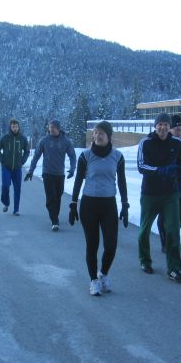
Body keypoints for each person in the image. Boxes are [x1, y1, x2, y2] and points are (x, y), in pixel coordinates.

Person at [69, 121, 129, 296]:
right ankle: (93, 281)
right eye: (95, 132)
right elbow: (78, 180)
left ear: (108, 136)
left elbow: (122, 182)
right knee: (92, 244)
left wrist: (125, 205)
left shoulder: (117, 156)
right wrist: (73, 203)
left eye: (101, 133)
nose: (97, 135)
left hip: (109, 204)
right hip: (89, 205)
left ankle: (103, 273)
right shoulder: (85, 156)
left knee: (111, 245)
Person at [137, 112, 181, 282]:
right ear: (155, 126)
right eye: (160, 124)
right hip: (150, 193)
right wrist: (159, 171)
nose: (163, 127)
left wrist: (180, 183)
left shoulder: (177, 143)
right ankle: (145, 260)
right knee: (144, 230)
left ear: (170, 127)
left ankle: (174, 268)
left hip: (170, 194)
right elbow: (141, 166)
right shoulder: (146, 142)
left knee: (173, 229)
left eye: (166, 124)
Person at [25, 120, 76, 231]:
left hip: (60, 173)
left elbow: (72, 155)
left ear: (58, 128)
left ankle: (54, 216)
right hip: (47, 173)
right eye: (49, 127)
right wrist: (31, 171)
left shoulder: (66, 141)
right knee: (51, 196)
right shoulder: (44, 140)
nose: (51, 129)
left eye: (53, 127)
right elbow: (36, 156)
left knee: (58, 196)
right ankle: (54, 220)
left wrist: (72, 169)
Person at [156, 114, 181, 252]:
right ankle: (166, 242)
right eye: (177, 129)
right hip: (166, 187)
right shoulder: (166, 142)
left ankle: (171, 235)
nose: (180, 132)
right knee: (164, 215)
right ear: (170, 129)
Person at [0, 118, 30, 216]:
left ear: (19, 127)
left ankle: (16, 209)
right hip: (6, 167)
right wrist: (2, 159)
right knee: (5, 185)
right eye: (13, 126)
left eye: (16, 126)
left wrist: (22, 161)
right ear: (10, 127)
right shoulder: (5, 138)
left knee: (17, 188)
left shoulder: (22, 138)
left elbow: (27, 151)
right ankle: (6, 202)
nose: (15, 128)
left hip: (17, 168)